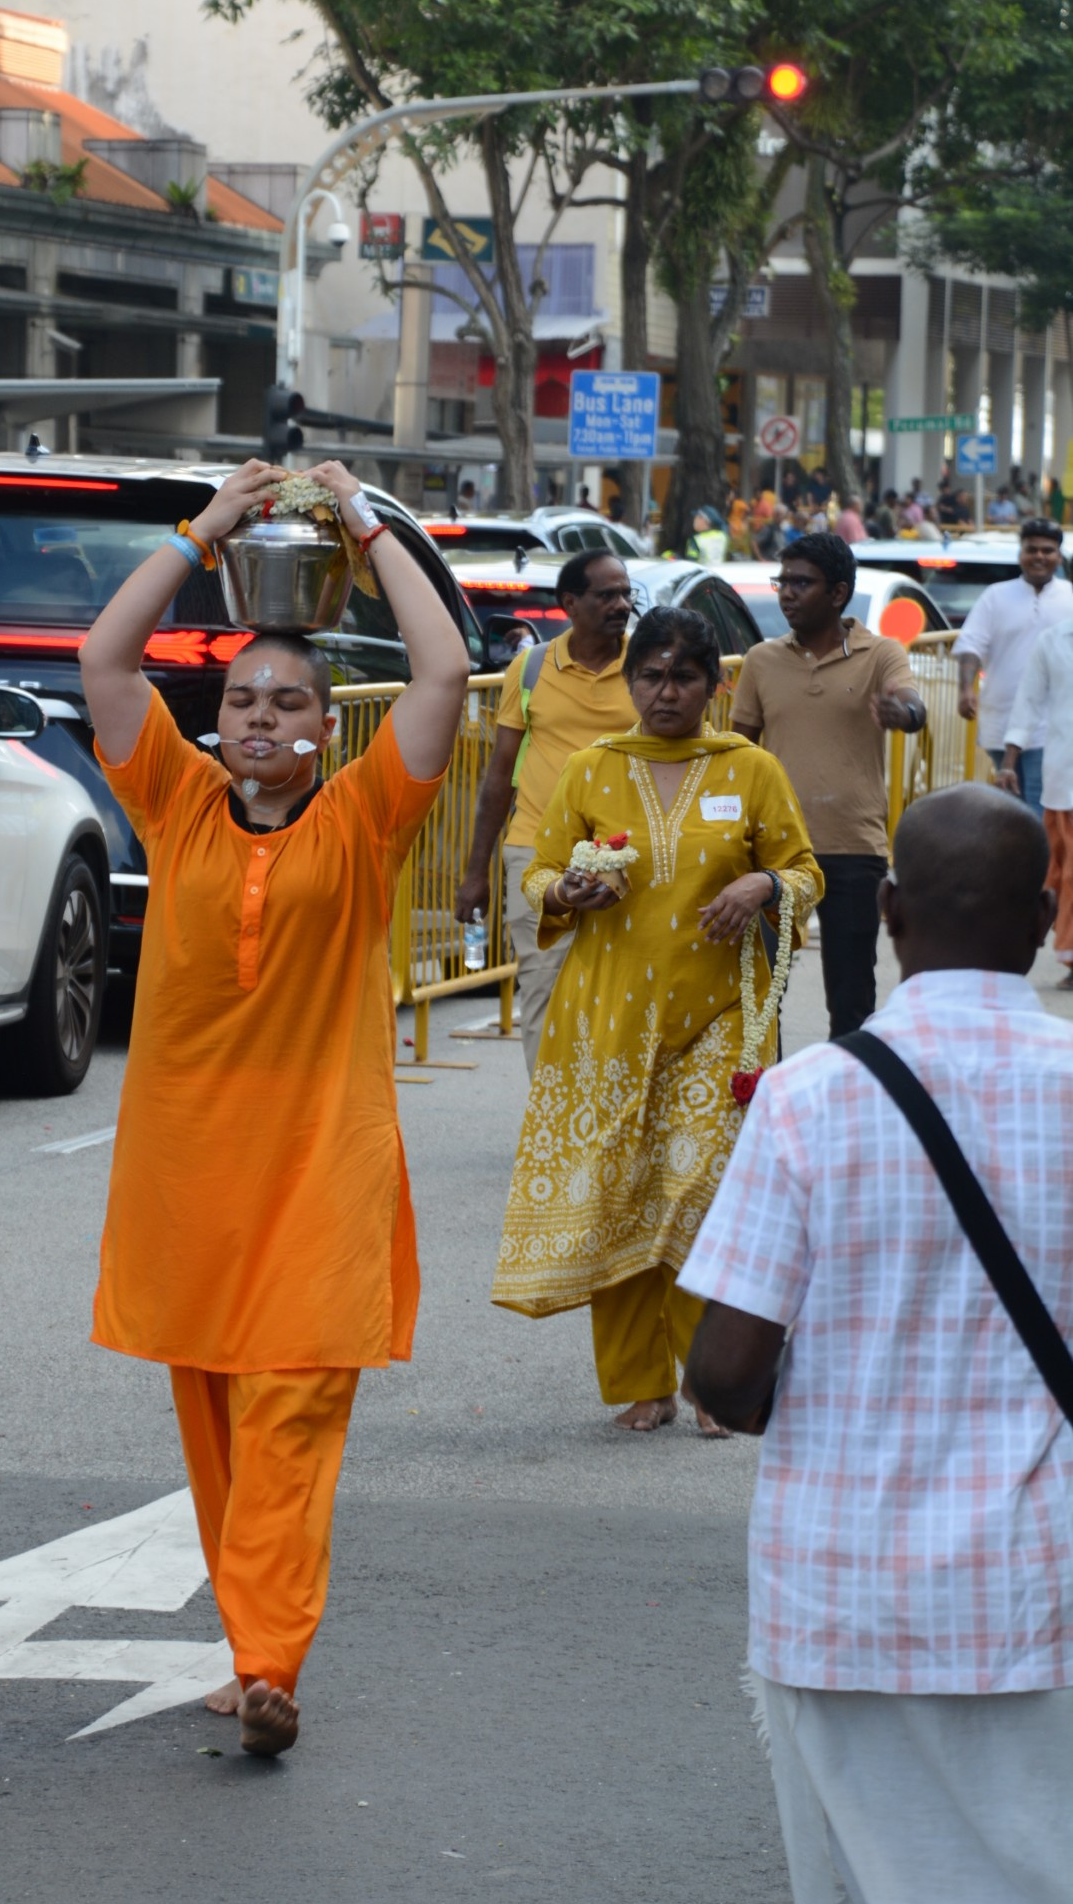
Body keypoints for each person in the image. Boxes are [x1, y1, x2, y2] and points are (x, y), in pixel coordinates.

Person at [680, 786, 1073, 1904]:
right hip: (1044, 1596)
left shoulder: (805, 1101)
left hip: (840, 1601)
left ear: (892, 918)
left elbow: (721, 1370)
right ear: (1041, 922)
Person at [79, 458, 468, 1756]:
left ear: (321, 728)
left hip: (318, 1182)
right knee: (215, 1433)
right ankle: (251, 1642)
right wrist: (206, 531)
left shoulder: (361, 825)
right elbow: (104, 655)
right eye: (239, 697)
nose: (256, 717)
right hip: (187, 1186)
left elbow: (443, 676)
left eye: (286, 702)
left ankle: (266, 1665)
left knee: (290, 1413)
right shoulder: (173, 805)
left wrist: (361, 523)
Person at [491, 607, 821, 1433]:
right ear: (630, 681)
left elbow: (804, 869)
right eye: (649, 675)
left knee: (701, 1194)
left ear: (715, 684)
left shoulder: (749, 770)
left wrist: (763, 888)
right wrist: (565, 892)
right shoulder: (594, 769)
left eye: (681, 676)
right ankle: (641, 1382)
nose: (663, 692)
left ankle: (713, 1381)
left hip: (719, 1020)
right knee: (623, 1193)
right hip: (604, 1021)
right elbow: (541, 875)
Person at [731, 532, 925, 1037]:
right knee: (758, 998)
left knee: (851, 994)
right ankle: (756, 1102)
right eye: (783, 581)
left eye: (801, 582)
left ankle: (851, 1100)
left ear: (838, 593)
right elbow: (737, 753)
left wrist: (901, 712)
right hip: (773, 851)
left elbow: (912, 704)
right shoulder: (760, 660)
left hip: (853, 847)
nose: (786, 593)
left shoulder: (880, 653)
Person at [453, 552, 639, 1071]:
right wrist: (475, 873)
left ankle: (605, 1128)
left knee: (620, 996)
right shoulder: (530, 668)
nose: (621, 605)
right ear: (570, 604)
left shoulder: (649, 664)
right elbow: (499, 773)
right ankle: (549, 1134)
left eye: (626, 594)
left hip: (629, 853)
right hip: (537, 854)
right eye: (607, 595)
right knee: (544, 991)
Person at [954, 517, 1073, 815]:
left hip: (1053, 726)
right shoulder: (996, 596)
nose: (1039, 557)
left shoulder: (1069, 597)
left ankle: (1042, 862)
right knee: (1013, 809)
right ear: (1020, 553)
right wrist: (966, 688)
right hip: (1001, 722)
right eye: (1032, 549)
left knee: (1038, 804)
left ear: (1059, 556)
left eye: (1047, 550)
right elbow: (971, 645)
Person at [1000, 603, 1073, 985]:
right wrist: (1010, 760)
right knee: (1061, 872)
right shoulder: (1054, 641)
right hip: (1064, 777)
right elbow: (1028, 702)